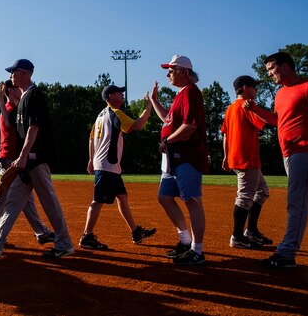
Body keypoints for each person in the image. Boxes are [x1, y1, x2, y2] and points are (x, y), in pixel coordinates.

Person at [245, 52, 308, 267]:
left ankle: (287, 253)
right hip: (290, 154)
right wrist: (255, 109)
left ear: (286, 66)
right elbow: (277, 121)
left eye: (272, 68)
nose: (269, 73)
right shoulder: (280, 94)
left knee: (297, 202)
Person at [0, 59, 74, 259]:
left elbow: (33, 128)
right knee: (12, 203)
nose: (11, 75)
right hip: (25, 162)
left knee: (49, 202)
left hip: (35, 160)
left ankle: (64, 244)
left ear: (25, 73)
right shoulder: (23, 99)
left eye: (14, 71)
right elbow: (11, 124)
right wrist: (2, 100)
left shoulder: (34, 95)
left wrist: (24, 155)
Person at [79, 84, 156, 250]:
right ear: (110, 97)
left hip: (107, 165)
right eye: (119, 93)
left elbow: (91, 138)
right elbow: (138, 125)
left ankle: (135, 231)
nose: (122, 94)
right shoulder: (115, 113)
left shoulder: (100, 115)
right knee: (98, 201)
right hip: (107, 165)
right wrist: (148, 107)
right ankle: (87, 236)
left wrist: (91, 159)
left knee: (122, 197)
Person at [149, 55, 208, 265]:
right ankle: (185, 240)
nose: (168, 74)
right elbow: (169, 120)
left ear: (184, 72)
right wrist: (154, 101)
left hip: (187, 156)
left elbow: (190, 127)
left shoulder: (191, 92)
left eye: (171, 70)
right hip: (173, 157)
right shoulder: (181, 95)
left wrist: (167, 140)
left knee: (192, 201)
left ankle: (197, 251)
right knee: (164, 197)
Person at [0, 79, 55, 245]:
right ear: (11, 91)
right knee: (3, 198)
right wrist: (1, 100)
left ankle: (41, 231)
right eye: (15, 87)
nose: (19, 89)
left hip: (12, 159)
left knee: (24, 199)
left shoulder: (12, 108)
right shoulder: (11, 109)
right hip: (11, 160)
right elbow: (10, 122)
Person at [221, 75, 273, 249]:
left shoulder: (230, 109)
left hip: (238, 158)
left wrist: (226, 156)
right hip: (246, 159)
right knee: (244, 198)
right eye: (253, 86)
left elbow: (226, 135)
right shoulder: (246, 106)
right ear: (245, 88)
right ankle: (236, 237)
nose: (256, 90)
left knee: (262, 191)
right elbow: (268, 122)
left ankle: (251, 231)